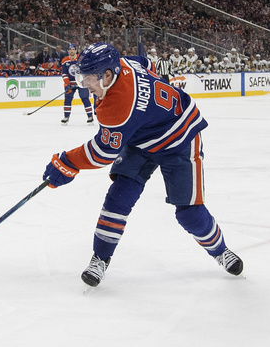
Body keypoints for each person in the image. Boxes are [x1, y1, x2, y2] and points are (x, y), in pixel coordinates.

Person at [42, 43, 243, 288]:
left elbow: (101, 153)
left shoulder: (118, 107)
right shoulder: (125, 63)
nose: (86, 85)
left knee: (189, 214)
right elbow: (146, 62)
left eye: (89, 79)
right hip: (142, 135)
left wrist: (66, 162)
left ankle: (220, 250)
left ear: (108, 75)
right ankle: (100, 258)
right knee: (119, 196)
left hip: (180, 137)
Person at [60, 44, 94, 125]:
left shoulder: (81, 58)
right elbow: (64, 73)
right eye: (70, 49)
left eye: (73, 49)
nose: (71, 51)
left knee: (85, 98)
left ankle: (90, 116)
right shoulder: (65, 60)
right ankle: (66, 117)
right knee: (68, 99)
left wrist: (84, 80)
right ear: (68, 51)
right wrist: (67, 83)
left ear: (76, 50)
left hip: (81, 82)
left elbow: (85, 70)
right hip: (70, 84)